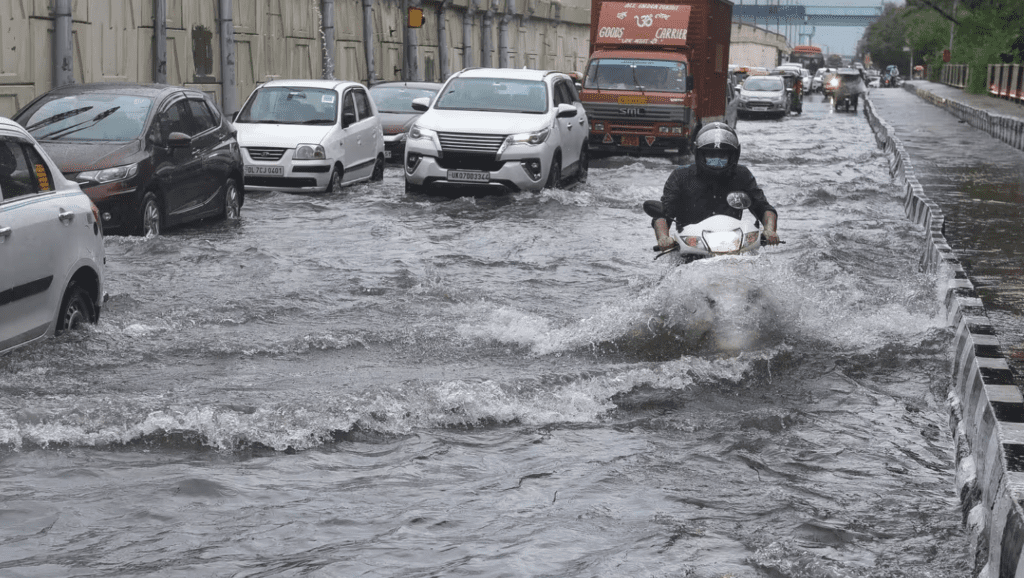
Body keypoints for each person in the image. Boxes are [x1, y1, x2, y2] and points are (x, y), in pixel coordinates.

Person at [646, 122, 780, 250]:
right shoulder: (680, 176)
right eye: (711, 154)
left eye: (722, 155)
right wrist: (664, 238)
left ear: (733, 155)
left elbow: (763, 207)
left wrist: (769, 230)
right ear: (699, 154)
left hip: (734, 245)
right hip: (691, 247)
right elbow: (663, 214)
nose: (717, 159)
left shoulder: (742, 175)